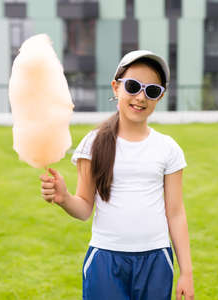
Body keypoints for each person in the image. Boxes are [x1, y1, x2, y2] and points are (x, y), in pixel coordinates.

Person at [40, 50, 194, 300]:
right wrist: (64, 197)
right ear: (116, 87)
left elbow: (176, 213)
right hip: (105, 259)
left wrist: (186, 272)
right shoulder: (93, 143)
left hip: (156, 259)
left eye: (152, 91)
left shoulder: (168, 148)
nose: (141, 97)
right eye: (133, 86)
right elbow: (84, 208)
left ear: (160, 96)